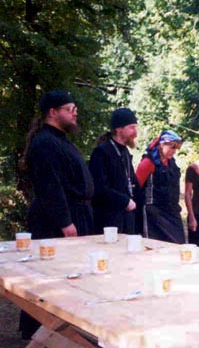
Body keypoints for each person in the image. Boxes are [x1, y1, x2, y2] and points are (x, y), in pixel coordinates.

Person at [19, 90, 95, 339]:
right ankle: (39, 330)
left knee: (71, 275)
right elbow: (49, 186)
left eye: (75, 109)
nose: (75, 113)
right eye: (69, 109)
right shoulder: (44, 143)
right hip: (56, 219)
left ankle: (64, 328)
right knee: (50, 277)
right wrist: (65, 222)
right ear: (53, 112)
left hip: (75, 213)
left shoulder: (60, 140)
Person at [89, 108, 139, 234]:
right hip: (108, 221)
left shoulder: (125, 152)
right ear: (119, 129)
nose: (135, 133)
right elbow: (99, 188)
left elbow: (131, 182)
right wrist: (124, 201)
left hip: (126, 219)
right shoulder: (101, 152)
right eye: (132, 128)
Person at [136, 130, 185, 244]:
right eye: (172, 147)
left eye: (176, 148)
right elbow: (136, 187)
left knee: (179, 243)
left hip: (171, 210)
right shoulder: (148, 163)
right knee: (155, 245)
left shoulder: (171, 163)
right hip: (154, 212)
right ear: (162, 145)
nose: (174, 151)